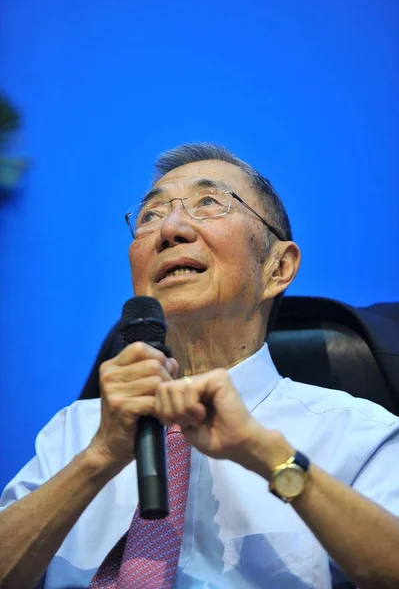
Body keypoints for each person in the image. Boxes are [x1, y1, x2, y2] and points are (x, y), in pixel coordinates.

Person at [1, 143, 398, 589]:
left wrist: (267, 456)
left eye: (209, 203)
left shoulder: (357, 434)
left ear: (278, 267)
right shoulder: (73, 432)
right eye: (150, 216)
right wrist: (98, 458)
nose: (170, 228)